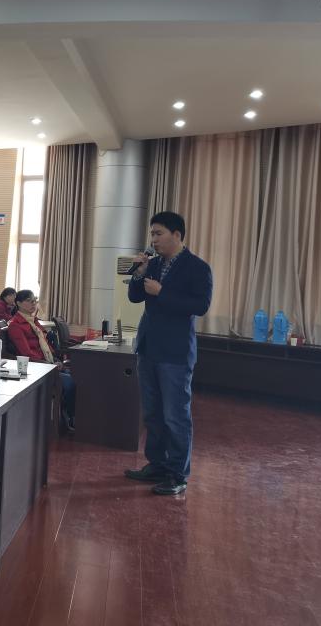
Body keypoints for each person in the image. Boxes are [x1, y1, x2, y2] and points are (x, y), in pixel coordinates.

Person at [125, 211, 213, 496]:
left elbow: (200, 306)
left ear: (177, 235)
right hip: (148, 348)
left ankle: (177, 474)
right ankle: (157, 464)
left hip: (175, 353)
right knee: (152, 413)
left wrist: (162, 292)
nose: (153, 239)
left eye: (158, 233)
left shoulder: (197, 268)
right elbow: (135, 297)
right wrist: (139, 273)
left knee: (175, 416)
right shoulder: (152, 265)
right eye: (152, 234)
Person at [8, 289, 75, 428]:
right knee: (70, 382)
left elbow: (45, 344)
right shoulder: (15, 325)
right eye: (29, 301)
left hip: (47, 364)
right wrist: (49, 365)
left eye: (34, 301)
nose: (33, 304)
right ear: (18, 303)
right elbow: (26, 353)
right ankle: (69, 418)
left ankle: (69, 415)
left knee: (81, 377)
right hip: (37, 368)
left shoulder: (33, 321)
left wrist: (55, 359)